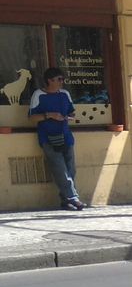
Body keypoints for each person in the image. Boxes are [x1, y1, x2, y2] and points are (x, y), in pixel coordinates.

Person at [28, 68, 86, 210]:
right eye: (59, 79)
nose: (62, 82)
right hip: (48, 138)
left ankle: (66, 200)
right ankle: (73, 198)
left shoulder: (65, 94)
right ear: (50, 80)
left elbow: (71, 112)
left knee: (71, 169)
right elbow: (31, 118)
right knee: (60, 169)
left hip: (66, 136)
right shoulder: (38, 95)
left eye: (62, 79)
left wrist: (69, 117)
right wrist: (50, 115)